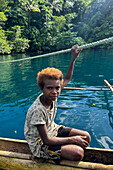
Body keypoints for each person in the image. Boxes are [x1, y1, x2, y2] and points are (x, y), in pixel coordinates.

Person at [24, 45, 91, 161]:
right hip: (40, 144)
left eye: (57, 88)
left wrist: (73, 59)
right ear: (42, 88)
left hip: (53, 129)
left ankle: (66, 152)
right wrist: (72, 139)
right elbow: (47, 140)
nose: (54, 92)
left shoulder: (53, 94)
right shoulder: (38, 110)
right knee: (78, 153)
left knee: (86, 136)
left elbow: (67, 79)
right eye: (50, 88)